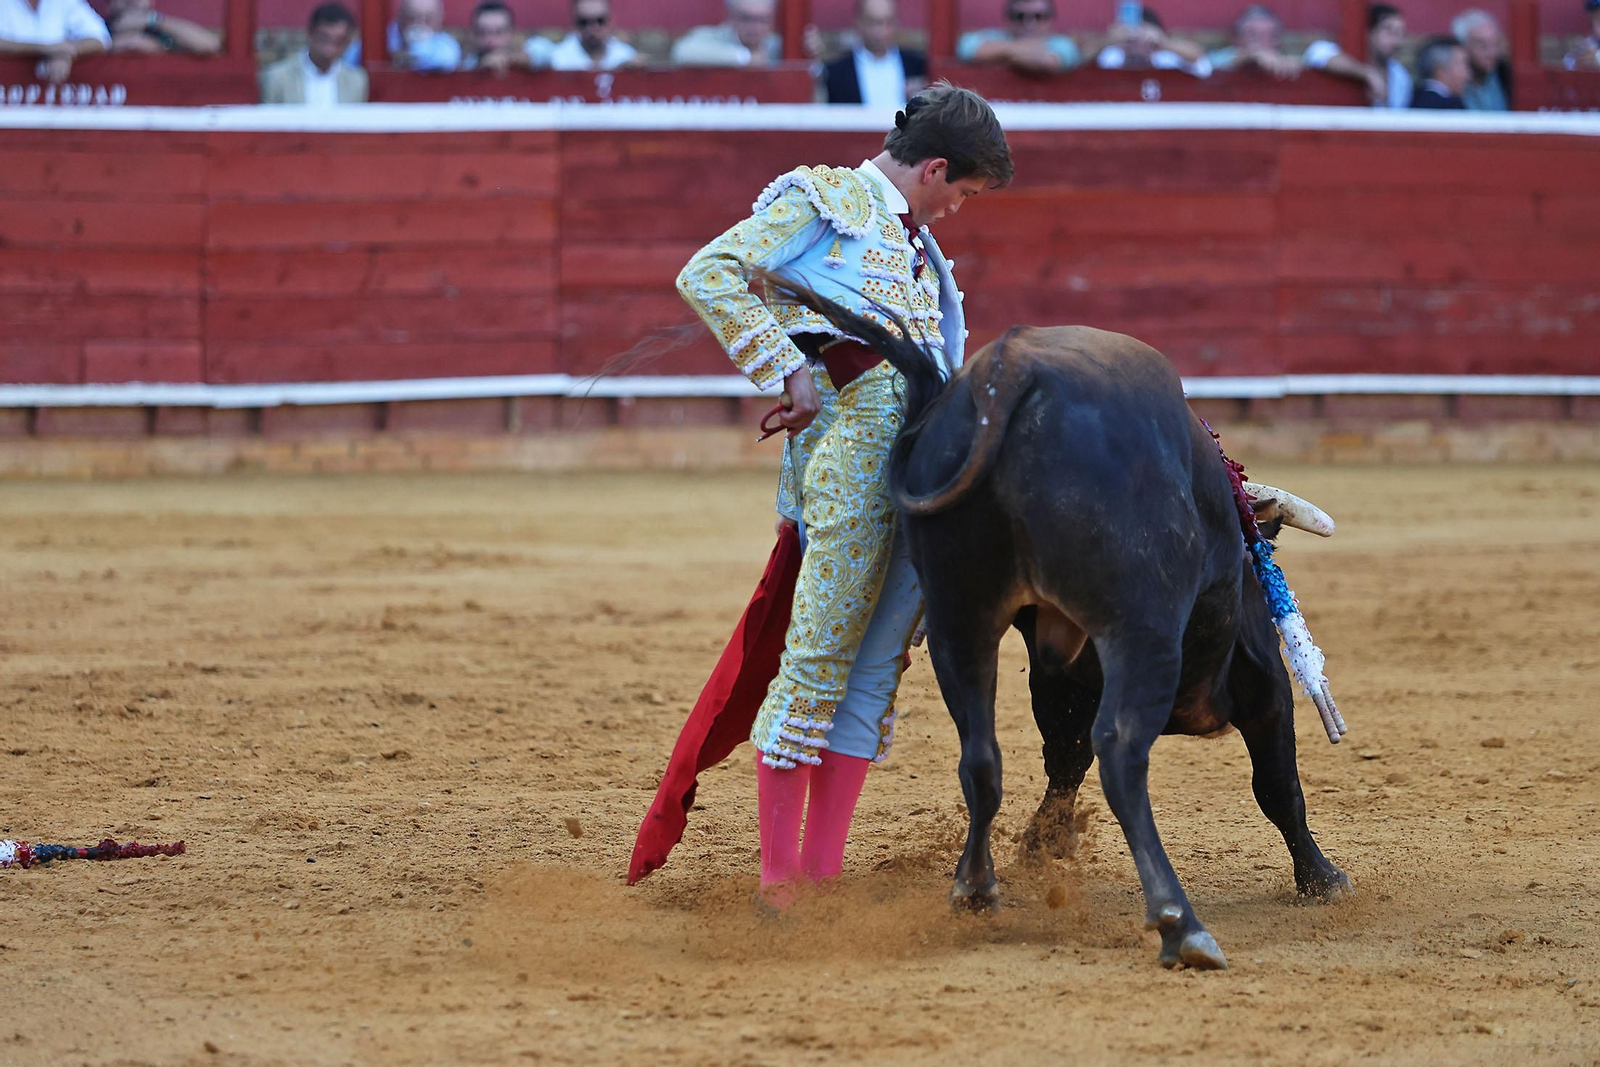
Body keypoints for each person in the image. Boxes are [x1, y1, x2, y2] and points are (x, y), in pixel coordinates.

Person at [674, 83, 1013, 904]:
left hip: (920, 466)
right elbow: (708, 272)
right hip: (853, 460)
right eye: (963, 192)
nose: (960, 211)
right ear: (935, 169)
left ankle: (819, 876)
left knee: (872, 672)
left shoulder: (921, 249)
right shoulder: (826, 200)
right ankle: (777, 885)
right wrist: (787, 365)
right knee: (818, 662)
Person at [1211, 3, 1383, 98]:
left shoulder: (1294, 62)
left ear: (1277, 41)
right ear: (1236, 39)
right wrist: (1254, 55)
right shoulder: (1220, 59)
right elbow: (1209, 64)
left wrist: (1366, 73)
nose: (1260, 42)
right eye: (1252, 35)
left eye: (1268, 35)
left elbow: (1323, 54)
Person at [259, 3, 367, 105]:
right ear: (310, 33)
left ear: (347, 42)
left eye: (339, 41)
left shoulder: (356, 81)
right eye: (324, 38)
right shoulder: (278, 78)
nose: (330, 48)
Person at [822, 0, 926, 105]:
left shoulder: (919, 67)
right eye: (872, 22)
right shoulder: (837, 73)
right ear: (858, 22)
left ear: (897, 23)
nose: (880, 31)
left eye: (887, 22)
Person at [0, 0, 109, 85]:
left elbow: (101, 39)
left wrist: (66, 53)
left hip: (48, 101)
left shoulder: (63, 2)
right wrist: (46, 49)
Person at [956, 0, 1080, 74]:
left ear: (1050, 19)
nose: (1029, 23)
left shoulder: (1063, 43)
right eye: (1020, 16)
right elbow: (966, 48)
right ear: (1007, 18)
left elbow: (1047, 63)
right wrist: (1023, 51)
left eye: (1038, 16)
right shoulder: (995, 35)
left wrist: (1001, 53)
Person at [1094, 5, 1210, 77]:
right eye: (1132, 40)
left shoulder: (1164, 58)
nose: (1137, 45)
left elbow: (1199, 59)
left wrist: (1163, 42)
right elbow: (1083, 57)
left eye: (1144, 39)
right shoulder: (1113, 56)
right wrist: (1109, 40)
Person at [671, 0, 781, 66]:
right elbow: (682, 51)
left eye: (763, 20)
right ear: (731, 17)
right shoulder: (713, 37)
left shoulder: (777, 45)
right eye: (746, 19)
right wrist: (744, 58)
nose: (755, 27)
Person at [537, 0, 637, 71]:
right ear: (574, 24)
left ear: (610, 21)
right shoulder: (557, 57)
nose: (593, 28)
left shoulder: (626, 56)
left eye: (600, 21)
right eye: (584, 22)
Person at [102, 0, 221, 55]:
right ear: (109, 4)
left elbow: (210, 45)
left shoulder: (160, 29)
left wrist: (155, 21)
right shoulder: (98, 30)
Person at [1451, 8, 1511, 109]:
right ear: (1463, 45)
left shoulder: (1506, 75)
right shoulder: (1451, 80)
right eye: (1482, 45)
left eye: (1496, 44)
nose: (1491, 52)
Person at [1366, 3, 1412, 108]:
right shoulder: (1349, 61)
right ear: (1369, 32)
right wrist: (1366, 73)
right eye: (1390, 32)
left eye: (1401, 34)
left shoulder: (1401, 76)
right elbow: (1321, 52)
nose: (1398, 42)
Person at [1410, 33, 1469, 107]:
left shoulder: (1410, 98)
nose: (1468, 75)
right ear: (1441, 70)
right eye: (1463, 65)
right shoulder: (1451, 107)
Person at [1563, 0, 1600, 69]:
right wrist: (1578, 62)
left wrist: (1597, 59)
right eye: (1599, 21)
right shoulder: (1588, 44)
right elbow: (1568, 62)